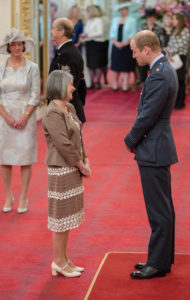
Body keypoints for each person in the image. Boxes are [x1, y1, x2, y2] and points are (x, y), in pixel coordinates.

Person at [124, 30, 178, 279]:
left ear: (147, 49)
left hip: (154, 147)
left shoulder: (159, 75)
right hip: (158, 145)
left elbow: (147, 115)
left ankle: (157, 263)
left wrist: (130, 139)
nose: (133, 54)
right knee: (163, 208)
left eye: (135, 50)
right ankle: (160, 258)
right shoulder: (164, 69)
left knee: (158, 210)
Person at [42, 70, 91, 278]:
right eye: (71, 84)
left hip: (73, 166)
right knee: (60, 219)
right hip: (61, 169)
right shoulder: (52, 112)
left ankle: (64, 259)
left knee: (68, 218)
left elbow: (78, 137)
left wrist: (85, 159)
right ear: (60, 86)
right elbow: (63, 144)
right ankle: (58, 261)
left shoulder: (69, 107)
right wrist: (81, 164)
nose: (73, 88)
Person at [0, 28, 40, 213]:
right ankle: (8, 195)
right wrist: (7, 117)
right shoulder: (1, 66)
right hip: (4, 117)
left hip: (26, 116)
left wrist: (24, 116)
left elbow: (35, 94)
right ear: (8, 47)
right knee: (4, 159)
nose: (16, 47)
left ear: (24, 45)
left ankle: (23, 195)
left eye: (19, 44)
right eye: (13, 44)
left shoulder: (32, 67)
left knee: (25, 158)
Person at [49, 17, 87, 123]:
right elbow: (82, 85)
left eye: (53, 28)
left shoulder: (66, 54)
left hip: (65, 112)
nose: (51, 31)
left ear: (61, 32)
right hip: (70, 109)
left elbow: (65, 87)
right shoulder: (67, 50)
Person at [109, 3, 137, 91]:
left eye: (124, 9)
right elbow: (112, 32)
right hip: (116, 45)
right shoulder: (115, 19)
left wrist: (125, 43)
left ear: (128, 10)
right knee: (115, 65)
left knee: (126, 65)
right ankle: (115, 83)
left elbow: (133, 33)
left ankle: (125, 84)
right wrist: (116, 42)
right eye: (121, 10)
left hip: (127, 46)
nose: (122, 11)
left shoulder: (132, 20)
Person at [167, 13, 190, 109]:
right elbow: (171, 43)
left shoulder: (185, 30)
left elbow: (181, 45)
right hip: (172, 57)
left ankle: (180, 102)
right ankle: (175, 102)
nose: (173, 21)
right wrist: (168, 53)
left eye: (174, 19)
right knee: (174, 81)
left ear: (179, 20)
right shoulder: (175, 30)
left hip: (179, 57)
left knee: (180, 80)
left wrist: (170, 53)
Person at [80, 5, 104, 89]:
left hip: (96, 44)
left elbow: (100, 32)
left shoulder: (98, 20)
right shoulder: (88, 21)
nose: (87, 13)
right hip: (89, 44)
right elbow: (86, 32)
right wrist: (84, 37)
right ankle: (91, 82)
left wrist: (88, 35)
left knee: (97, 64)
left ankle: (97, 81)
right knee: (90, 64)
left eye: (88, 12)